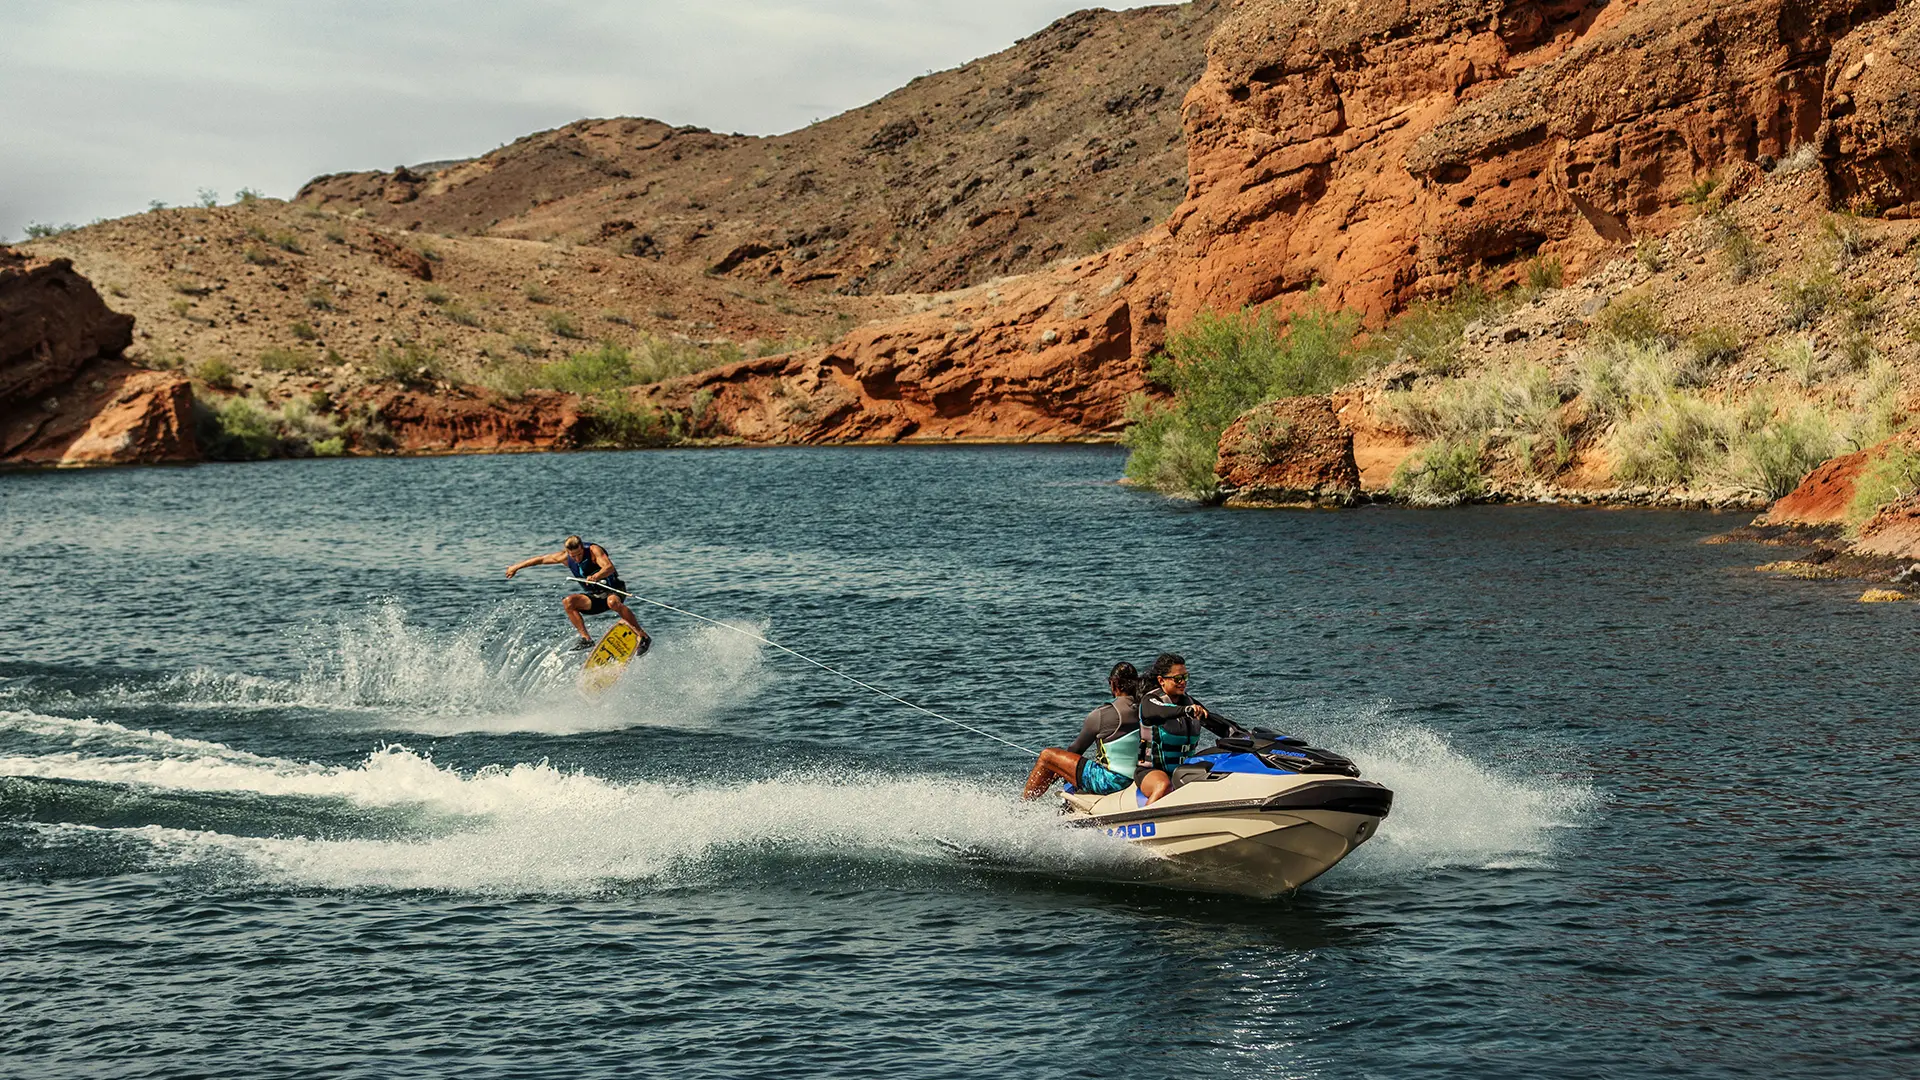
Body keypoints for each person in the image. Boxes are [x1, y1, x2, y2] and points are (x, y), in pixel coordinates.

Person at [1021, 663, 1143, 800]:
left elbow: (1075, 749)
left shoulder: (1102, 714)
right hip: (1141, 776)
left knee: (1047, 756)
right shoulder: (1146, 708)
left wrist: (1058, 770)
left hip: (1111, 783)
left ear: (1114, 684)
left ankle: (1024, 805)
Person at [505, 535, 649, 651]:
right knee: (569, 602)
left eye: (579, 554)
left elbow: (609, 567)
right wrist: (516, 567)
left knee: (613, 603)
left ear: (582, 547)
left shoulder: (594, 551)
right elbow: (541, 559)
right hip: (596, 596)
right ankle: (586, 639)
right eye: (573, 556)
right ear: (568, 553)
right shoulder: (565, 557)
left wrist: (597, 576)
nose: (577, 558)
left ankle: (643, 636)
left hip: (614, 589)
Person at [1136, 652, 1239, 803]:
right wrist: (1186, 711)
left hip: (1183, 771)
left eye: (1185, 677)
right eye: (1178, 678)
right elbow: (1163, 710)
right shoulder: (1150, 701)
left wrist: (1242, 735)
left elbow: (1217, 723)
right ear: (1161, 680)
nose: (1183, 682)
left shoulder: (1188, 702)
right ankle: (1145, 821)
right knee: (1164, 785)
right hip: (1151, 772)